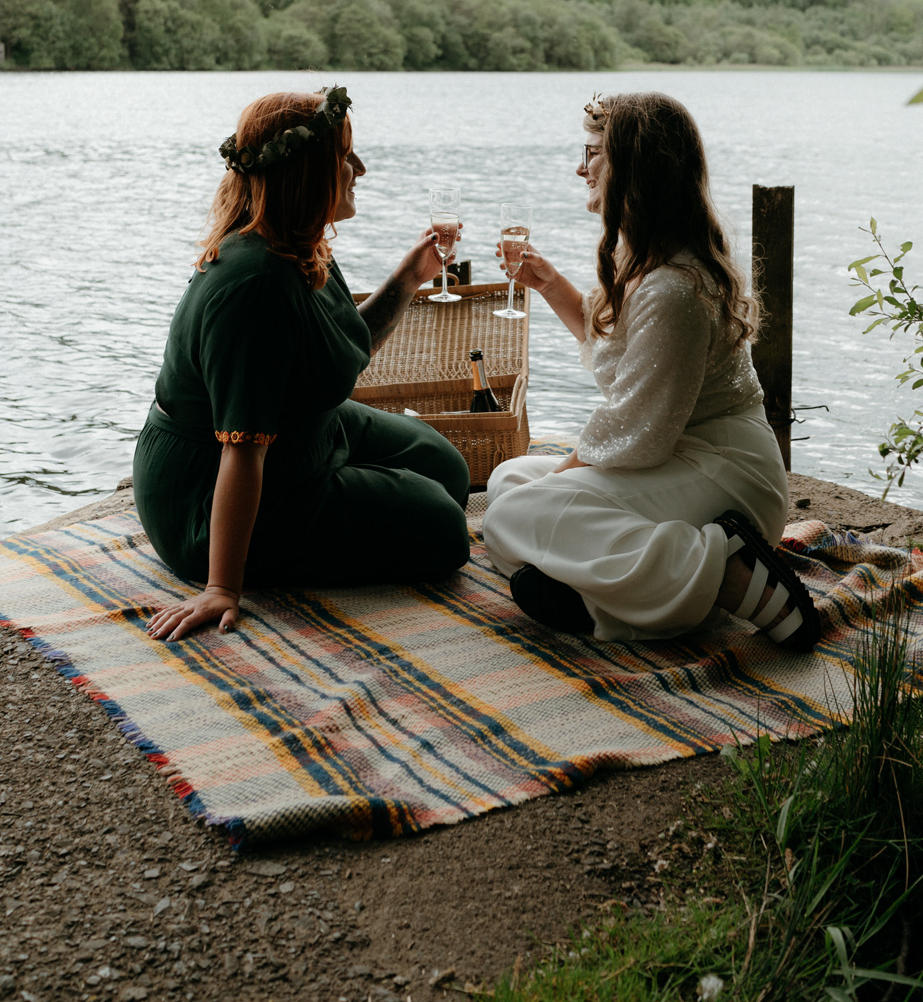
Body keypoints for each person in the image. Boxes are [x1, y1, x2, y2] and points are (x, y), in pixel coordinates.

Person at [482, 91, 821, 651]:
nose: (580, 167)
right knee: (509, 482)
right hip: (675, 453)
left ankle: (726, 572)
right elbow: (622, 358)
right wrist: (547, 284)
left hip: (726, 473)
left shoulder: (674, 287)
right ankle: (609, 604)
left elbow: (636, 429)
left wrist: (562, 477)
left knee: (516, 512)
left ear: (633, 167)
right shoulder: (644, 257)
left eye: (592, 153)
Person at [135, 86, 471, 641]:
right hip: (209, 492)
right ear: (307, 175)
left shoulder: (301, 244)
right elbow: (241, 447)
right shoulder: (254, 285)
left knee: (450, 470)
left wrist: (411, 276)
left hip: (303, 430)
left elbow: (342, 343)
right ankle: (263, 544)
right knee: (443, 529)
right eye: (344, 157)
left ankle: (344, 491)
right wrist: (223, 586)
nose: (359, 168)